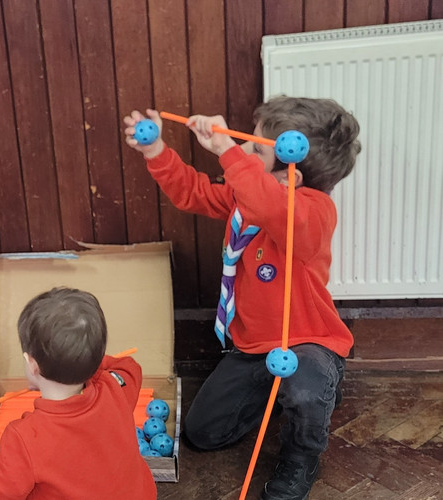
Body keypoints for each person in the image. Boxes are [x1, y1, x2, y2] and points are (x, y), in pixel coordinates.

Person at [123, 96, 361, 500]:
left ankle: (302, 452)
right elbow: (194, 192)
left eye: (256, 148)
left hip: (307, 341)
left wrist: (227, 151)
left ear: (290, 175)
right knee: (203, 434)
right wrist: (156, 150)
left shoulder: (315, 212)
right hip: (252, 347)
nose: (245, 150)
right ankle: (280, 392)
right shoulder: (246, 199)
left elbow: (274, 209)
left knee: (305, 389)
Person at [0, 287, 157, 499]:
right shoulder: (115, 387)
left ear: (32, 364)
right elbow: (128, 366)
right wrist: (84, 362)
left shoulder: (24, 437)